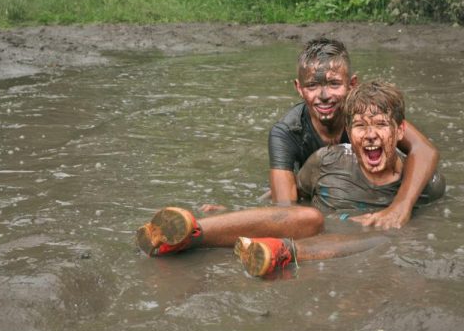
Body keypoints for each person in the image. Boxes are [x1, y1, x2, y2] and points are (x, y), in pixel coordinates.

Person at [136, 81, 445, 277]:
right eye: (362, 126)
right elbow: (284, 201)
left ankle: (279, 253)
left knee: (383, 238)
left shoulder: (423, 185)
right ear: (350, 133)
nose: (372, 135)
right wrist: (233, 211)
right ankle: (187, 233)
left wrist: (400, 210)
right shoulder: (327, 161)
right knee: (308, 216)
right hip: (316, 227)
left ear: (400, 131)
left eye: (381, 125)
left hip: (341, 245)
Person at [268, 38, 440, 229]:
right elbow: (285, 210)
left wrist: (400, 207)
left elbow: (424, 149)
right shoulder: (287, 132)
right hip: (316, 188)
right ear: (299, 88)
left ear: (352, 84)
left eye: (334, 84)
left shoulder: (368, 114)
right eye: (312, 86)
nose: (324, 96)